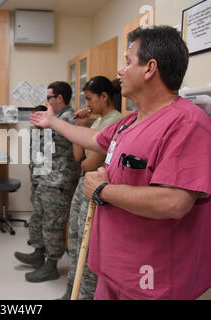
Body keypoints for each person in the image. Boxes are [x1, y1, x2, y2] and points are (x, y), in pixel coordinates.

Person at [30, 26, 211, 300]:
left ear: (150, 68)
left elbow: (174, 202)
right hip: (114, 269)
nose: (120, 70)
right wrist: (52, 121)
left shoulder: (187, 123)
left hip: (152, 280)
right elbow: (95, 138)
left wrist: (102, 190)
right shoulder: (131, 121)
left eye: (128, 61)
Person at [60, 76, 123, 300]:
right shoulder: (97, 120)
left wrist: (83, 163)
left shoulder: (114, 121)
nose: (87, 105)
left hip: (96, 186)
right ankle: (71, 292)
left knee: (87, 248)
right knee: (75, 240)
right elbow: (78, 156)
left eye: (90, 99)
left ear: (104, 97)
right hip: (84, 183)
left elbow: (89, 163)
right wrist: (80, 126)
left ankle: (83, 295)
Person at [14, 81, 81, 283]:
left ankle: (51, 265)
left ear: (59, 98)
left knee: (54, 224)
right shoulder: (54, 118)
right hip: (45, 178)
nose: (46, 101)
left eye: (49, 97)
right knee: (40, 219)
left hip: (59, 180)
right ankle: (38, 253)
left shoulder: (71, 119)